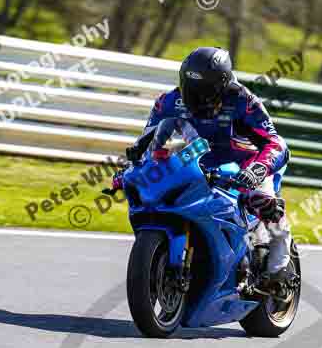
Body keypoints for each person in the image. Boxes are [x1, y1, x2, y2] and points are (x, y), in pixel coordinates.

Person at [123, 46, 292, 284]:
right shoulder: (169, 101)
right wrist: (133, 171)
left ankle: (279, 269)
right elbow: (146, 143)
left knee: (264, 202)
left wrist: (257, 170)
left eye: (202, 91)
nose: (193, 98)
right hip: (200, 159)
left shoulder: (244, 101)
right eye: (189, 89)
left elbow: (276, 144)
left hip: (246, 162)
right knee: (165, 192)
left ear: (221, 85)